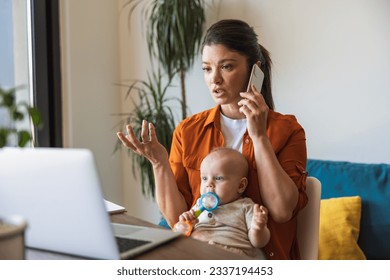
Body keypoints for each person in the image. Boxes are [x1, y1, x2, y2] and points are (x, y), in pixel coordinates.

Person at [117, 19, 308, 259]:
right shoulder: (188, 131)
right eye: (207, 69)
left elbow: (281, 211)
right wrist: (159, 163)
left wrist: (259, 135)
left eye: (226, 67)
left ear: (254, 70)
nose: (214, 79)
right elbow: (179, 219)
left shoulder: (288, 130)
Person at [178, 147, 270, 258]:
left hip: (231, 255)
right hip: (198, 252)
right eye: (204, 178)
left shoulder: (245, 206)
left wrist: (258, 228)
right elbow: (182, 231)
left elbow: (259, 242)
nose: (209, 184)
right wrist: (185, 223)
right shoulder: (199, 206)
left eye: (218, 178)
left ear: (240, 185)